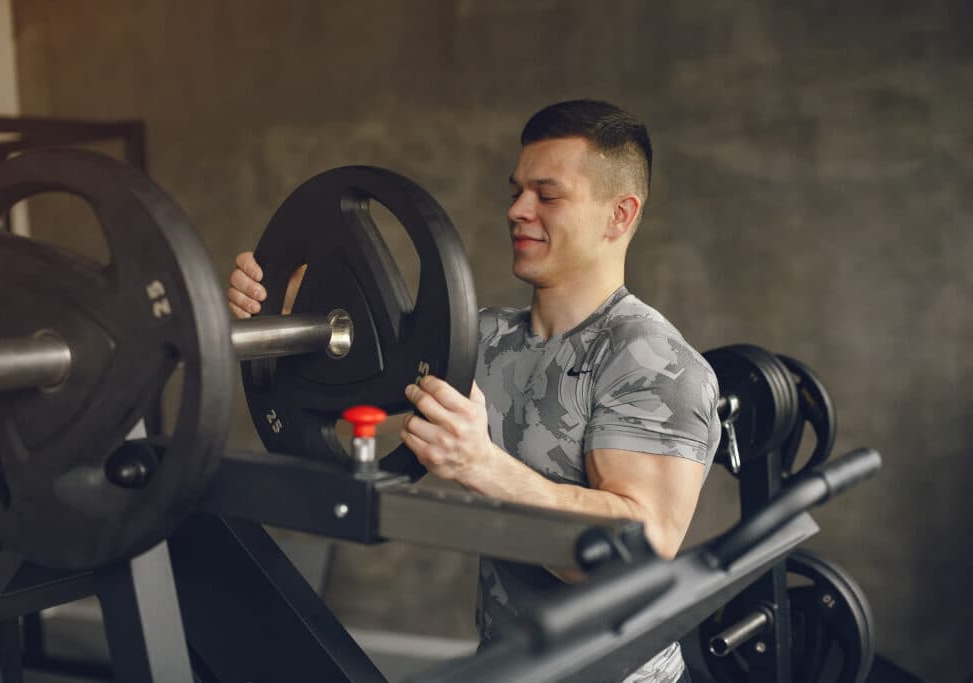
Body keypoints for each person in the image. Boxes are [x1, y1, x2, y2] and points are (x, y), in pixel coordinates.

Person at [228, 100, 719, 683]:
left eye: (547, 194)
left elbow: (637, 553)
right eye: (516, 190)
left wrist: (483, 465)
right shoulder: (485, 338)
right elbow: (349, 385)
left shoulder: (656, 362)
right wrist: (280, 310)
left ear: (619, 215)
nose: (517, 210)